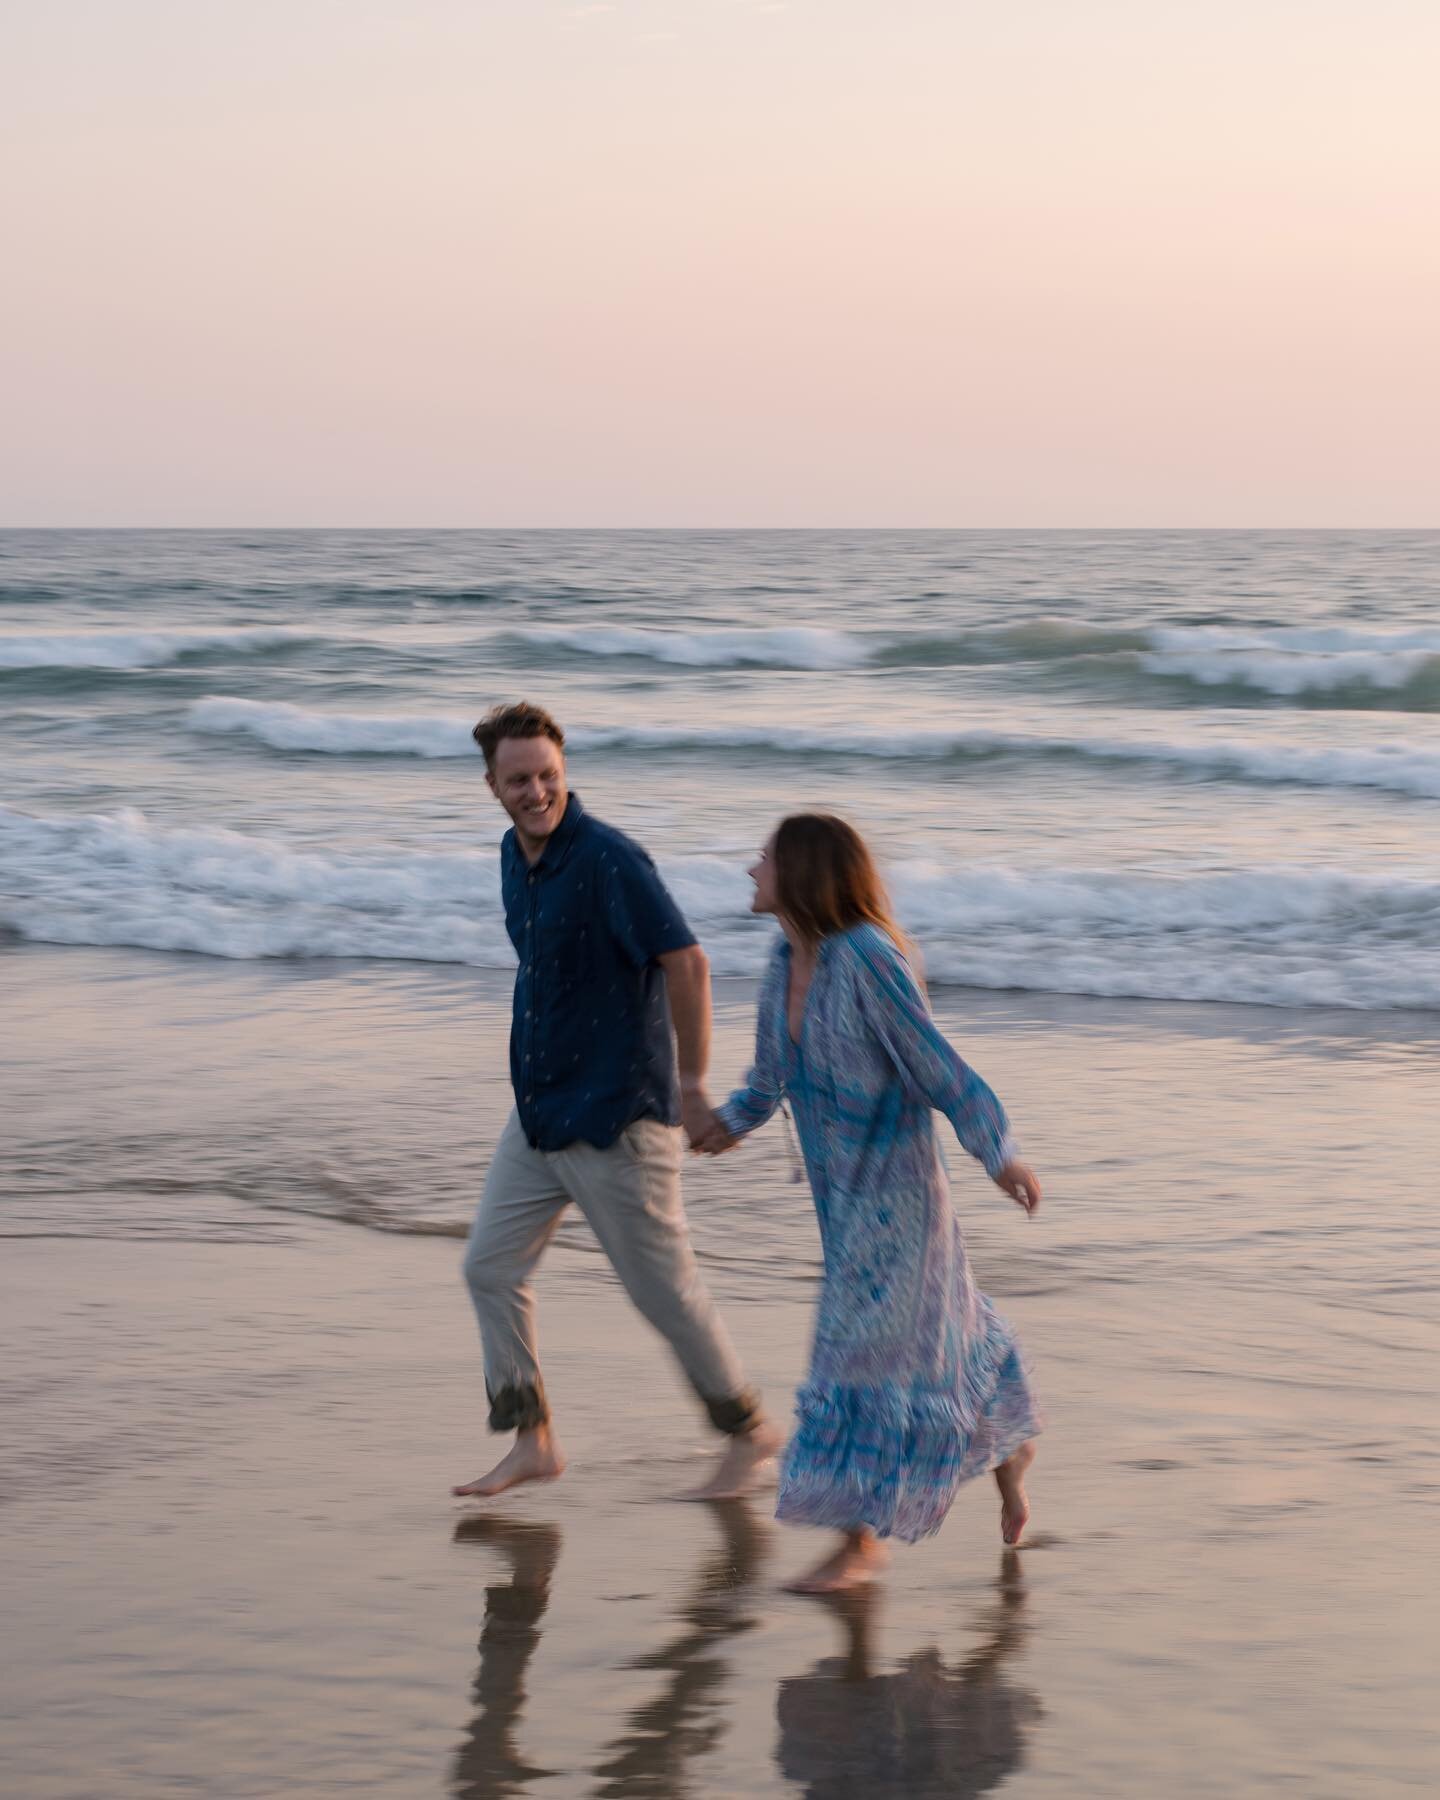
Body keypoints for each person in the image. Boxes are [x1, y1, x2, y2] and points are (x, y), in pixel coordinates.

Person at [697, 813, 1042, 1592]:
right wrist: (727, 1126)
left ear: (805, 874)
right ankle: (1010, 1450)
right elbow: (767, 1078)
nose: (751, 870)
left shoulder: (868, 960)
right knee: (936, 1344)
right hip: (838, 1205)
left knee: (856, 1360)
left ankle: (861, 1543)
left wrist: (999, 1152)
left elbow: (938, 1067)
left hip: (901, 1205)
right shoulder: (784, 957)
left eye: (766, 859)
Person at [454, 702, 779, 1502]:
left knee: (664, 1295)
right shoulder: (513, 855)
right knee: (490, 1268)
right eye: (519, 780)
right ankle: (534, 1441)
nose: (536, 793)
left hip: (618, 1121)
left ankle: (750, 1432)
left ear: (565, 773)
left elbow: (689, 964)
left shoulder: (608, 860)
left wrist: (695, 1087)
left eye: (549, 777)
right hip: (540, 1114)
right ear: (492, 785)